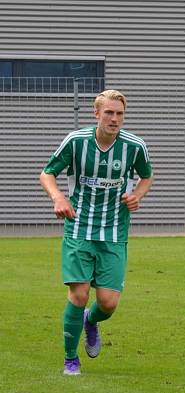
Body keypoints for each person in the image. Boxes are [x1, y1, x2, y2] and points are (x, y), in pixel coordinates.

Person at [39, 89, 153, 375]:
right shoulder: (77, 142)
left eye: (119, 114)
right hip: (79, 227)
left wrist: (137, 195)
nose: (115, 119)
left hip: (114, 231)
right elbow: (47, 173)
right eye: (109, 113)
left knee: (108, 303)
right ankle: (70, 359)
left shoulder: (134, 146)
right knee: (78, 295)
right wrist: (58, 198)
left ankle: (91, 320)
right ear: (97, 114)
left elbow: (147, 176)